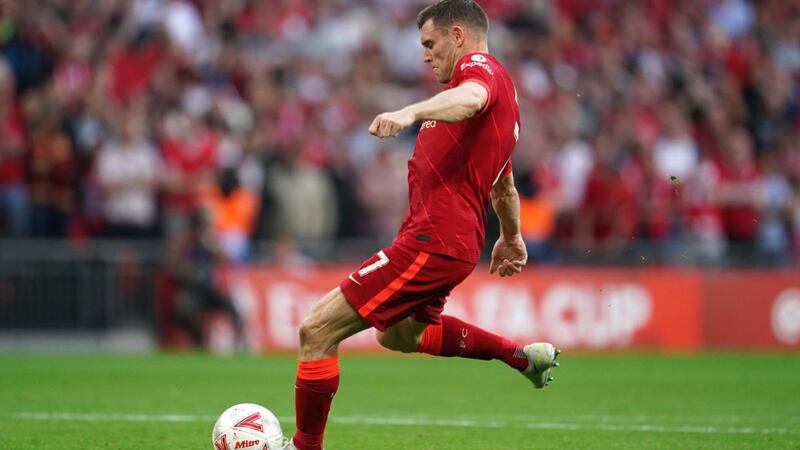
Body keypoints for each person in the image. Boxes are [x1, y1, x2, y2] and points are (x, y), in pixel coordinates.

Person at [285, 2, 560, 449]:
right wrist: (511, 238)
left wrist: (409, 112)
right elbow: (503, 187)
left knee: (316, 331)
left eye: (430, 44)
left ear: (458, 36)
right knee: (398, 335)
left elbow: (471, 96)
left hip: (431, 241)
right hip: (453, 245)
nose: (425, 55)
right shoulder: (500, 111)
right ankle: (520, 357)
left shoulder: (479, 73)